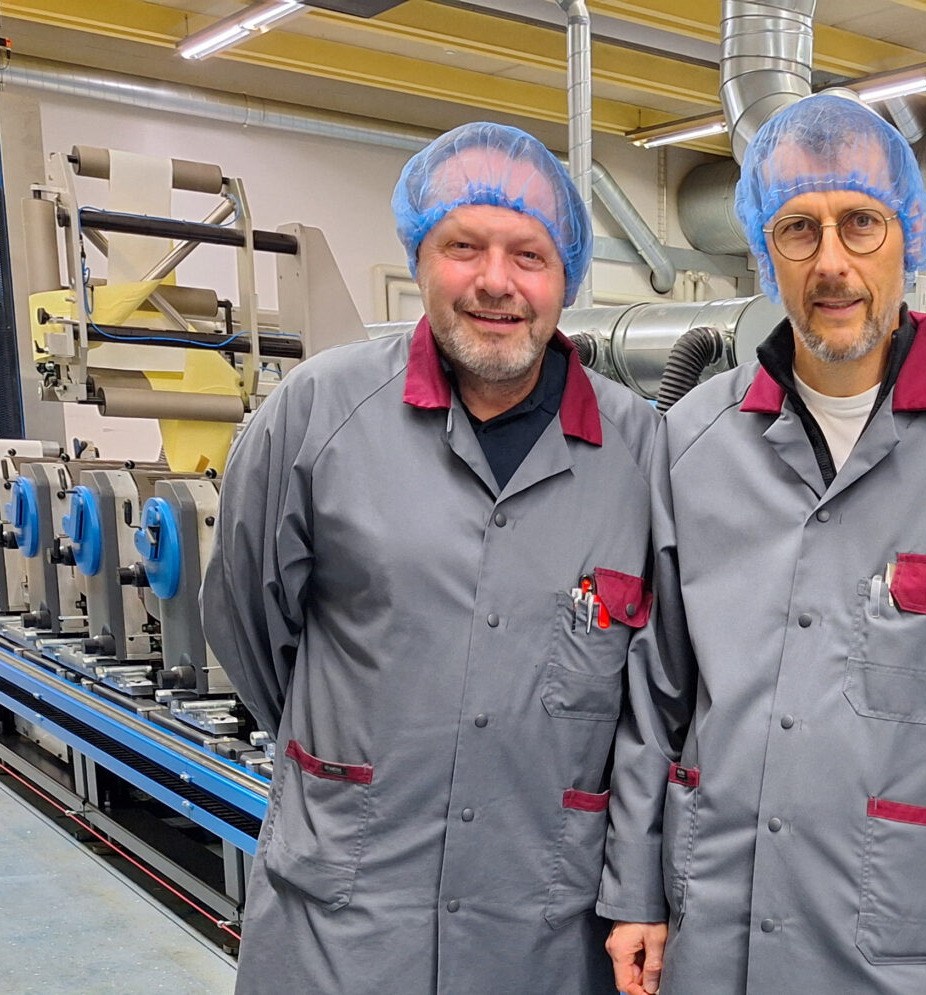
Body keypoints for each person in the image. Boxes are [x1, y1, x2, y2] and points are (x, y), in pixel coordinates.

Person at [600, 93, 926, 995]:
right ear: (762, 247)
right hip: (712, 920)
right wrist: (633, 887)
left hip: (895, 937)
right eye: (797, 229)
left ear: (910, 232)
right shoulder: (694, 438)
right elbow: (653, 689)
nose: (832, 263)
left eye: (861, 223)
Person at [206, 122, 661, 993]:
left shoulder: (644, 457)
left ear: (567, 271)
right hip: (345, 918)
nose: (496, 281)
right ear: (419, 255)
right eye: (463, 246)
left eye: (528, 253)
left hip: (543, 927)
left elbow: (656, 696)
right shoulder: (317, 414)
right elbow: (246, 623)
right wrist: (353, 756)